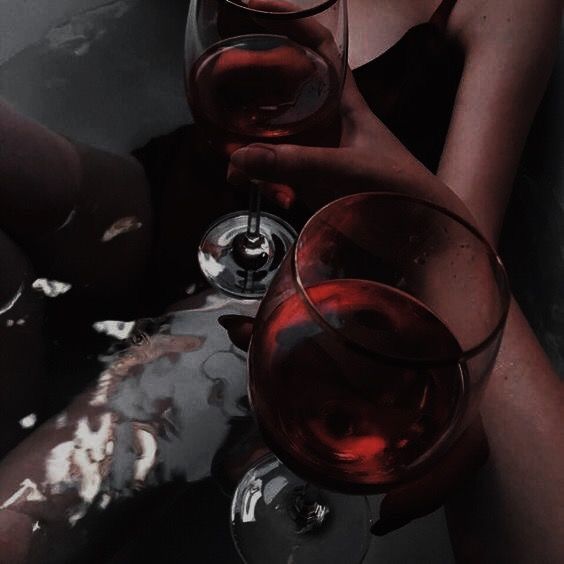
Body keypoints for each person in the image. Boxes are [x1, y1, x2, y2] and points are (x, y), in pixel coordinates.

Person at [0, 0, 562, 562]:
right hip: (165, 204)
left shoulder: (504, 8)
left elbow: (462, 265)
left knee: (15, 524)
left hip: (291, 297)